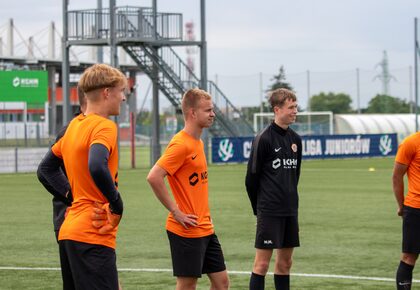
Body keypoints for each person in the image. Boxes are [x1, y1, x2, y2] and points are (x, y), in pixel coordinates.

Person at [37, 63, 127, 290]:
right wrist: (116, 203)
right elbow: (97, 165)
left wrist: (73, 196)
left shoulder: (74, 126)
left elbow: (45, 169)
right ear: (107, 92)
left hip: (70, 231)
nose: (123, 98)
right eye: (121, 91)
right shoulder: (104, 126)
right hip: (93, 232)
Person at [147, 88, 229, 290]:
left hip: (205, 227)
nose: (213, 114)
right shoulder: (180, 144)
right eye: (208, 110)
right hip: (186, 229)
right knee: (187, 285)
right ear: (193, 113)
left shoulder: (198, 143)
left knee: (222, 283)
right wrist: (176, 211)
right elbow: (154, 176)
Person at [245, 88, 302, 290]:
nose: (295, 111)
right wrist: (259, 210)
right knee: (261, 264)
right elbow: (251, 179)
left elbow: (295, 176)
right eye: (291, 107)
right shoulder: (264, 138)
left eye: (296, 106)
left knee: (285, 264)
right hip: (269, 210)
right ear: (277, 109)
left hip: (289, 210)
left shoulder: (296, 140)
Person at [38, 86, 87, 242]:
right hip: (71, 219)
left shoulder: (95, 130)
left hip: (89, 221)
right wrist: (74, 197)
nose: (123, 97)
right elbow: (45, 170)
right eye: (117, 91)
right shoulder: (72, 131)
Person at [393, 132, 420, 290]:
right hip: (416, 209)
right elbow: (397, 176)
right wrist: (401, 206)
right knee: (409, 257)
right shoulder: (411, 143)